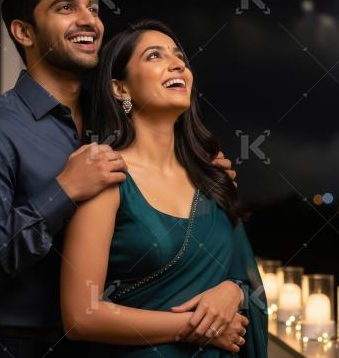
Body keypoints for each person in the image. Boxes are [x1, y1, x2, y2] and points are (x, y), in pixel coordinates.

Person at [0, 0, 236, 358]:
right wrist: (61, 192)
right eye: (65, 7)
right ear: (24, 32)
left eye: (92, 8)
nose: (89, 20)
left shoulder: (113, 121)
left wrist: (195, 178)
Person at [59, 19, 267, 357]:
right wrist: (197, 328)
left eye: (179, 57)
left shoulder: (212, 178)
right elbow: (81, 316)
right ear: (120, 89)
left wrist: (234, 292)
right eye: (155, 56)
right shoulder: (106, 177)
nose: (177, 64)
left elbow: (245, 277)